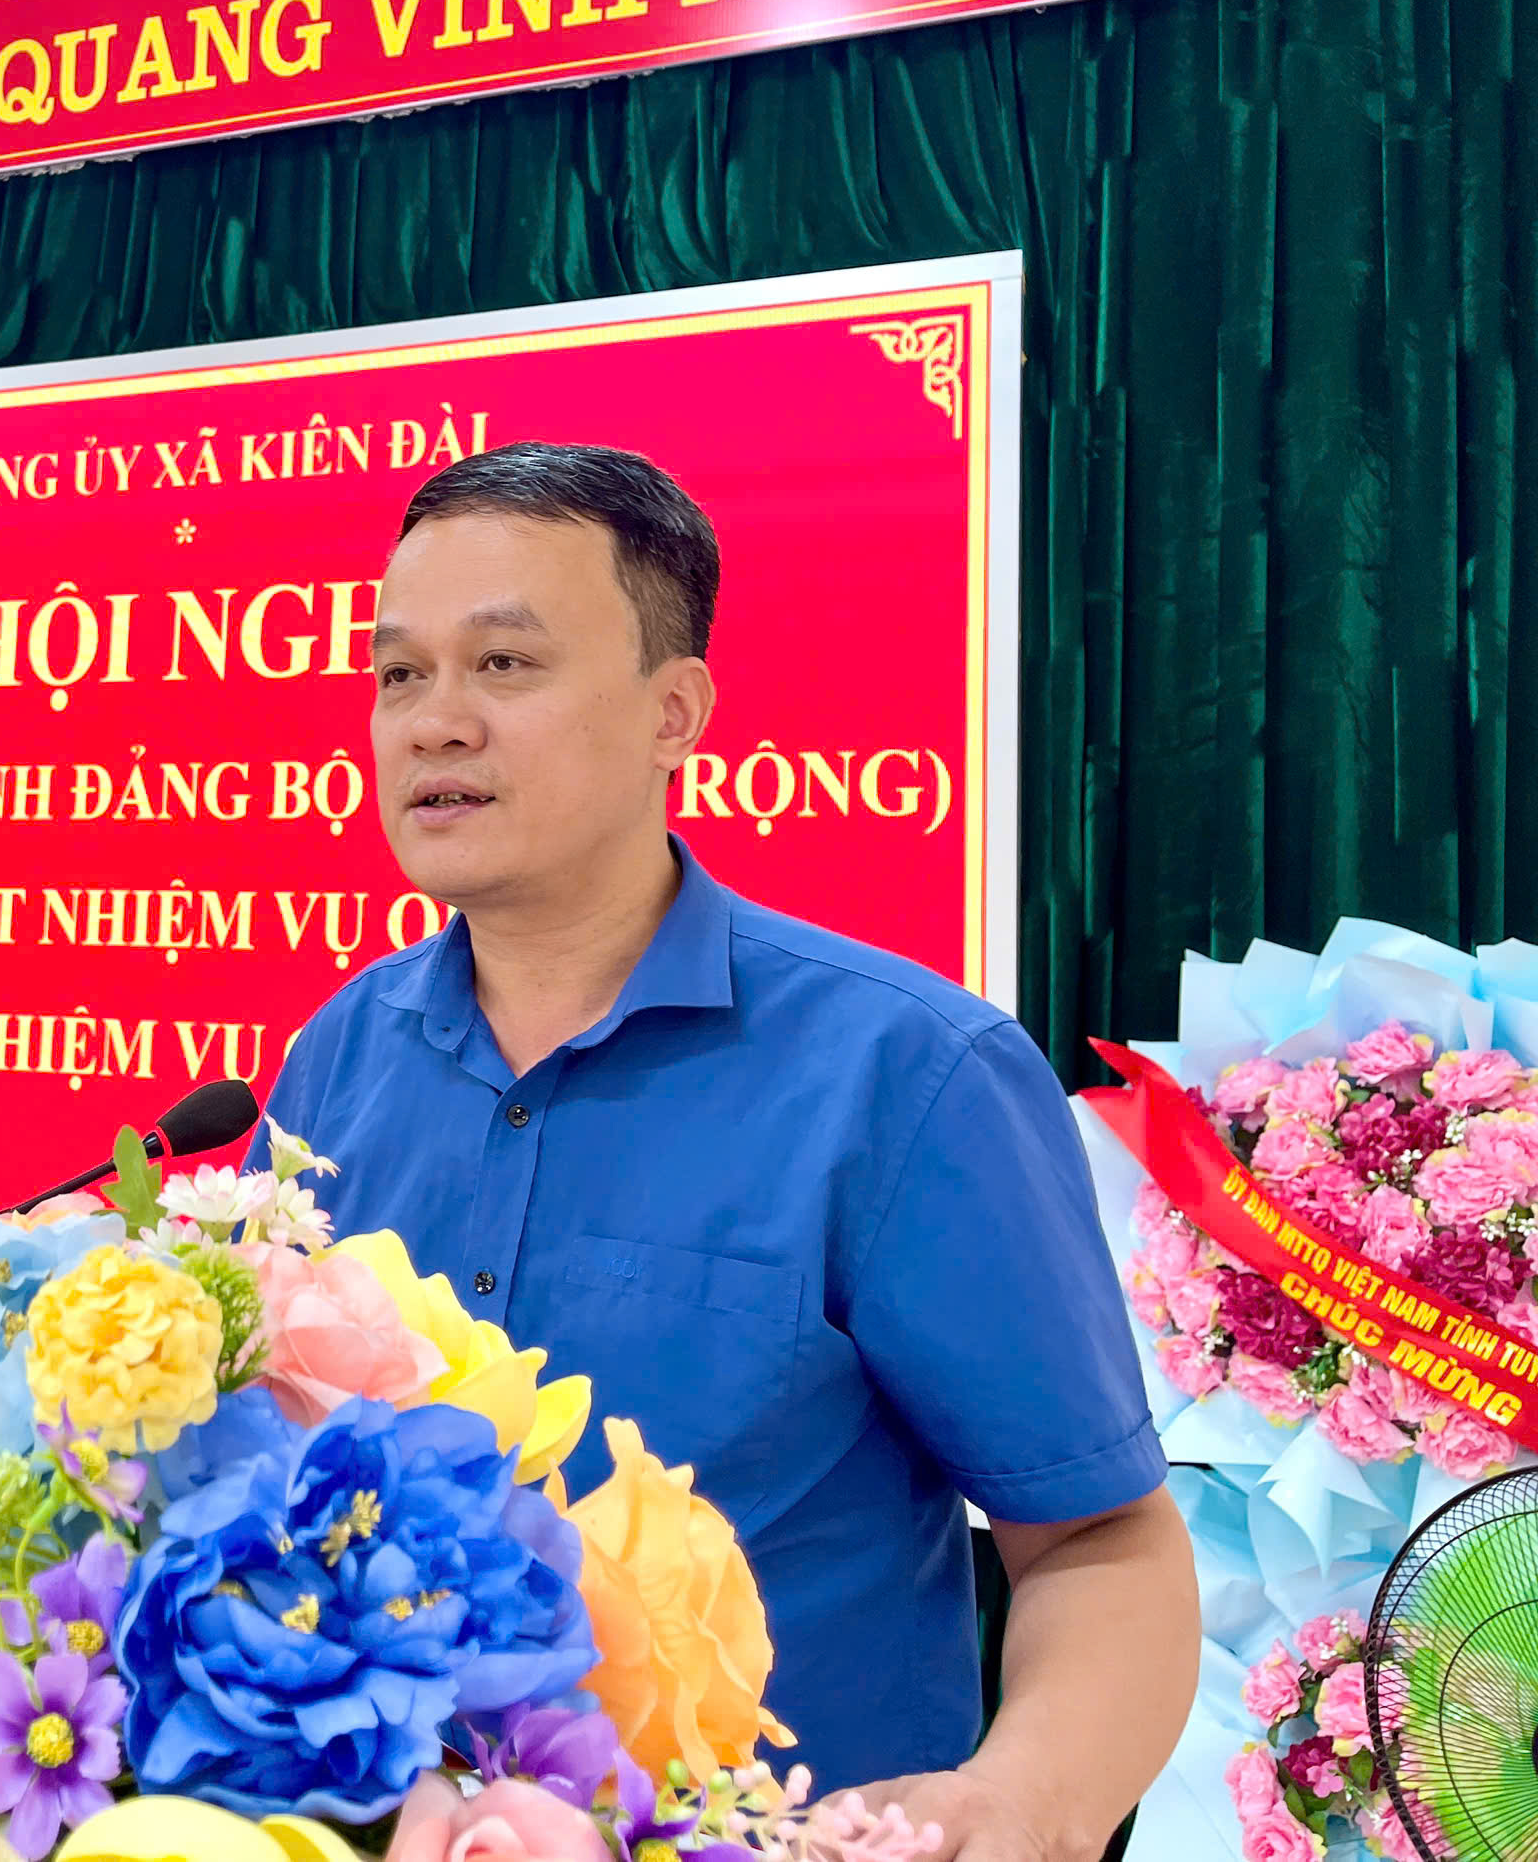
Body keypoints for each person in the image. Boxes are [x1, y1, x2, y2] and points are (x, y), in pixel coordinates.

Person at [254, 443, 1196, 1862]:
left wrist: (1026, 1804)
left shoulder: (906, 1076)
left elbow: (1099, 1545)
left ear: (674, 712)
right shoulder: (339, 1055)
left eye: (503, 665)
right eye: (399, 674)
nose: (434, 722)